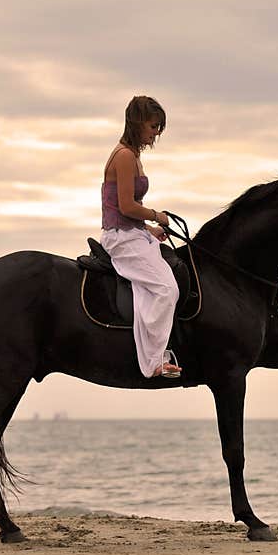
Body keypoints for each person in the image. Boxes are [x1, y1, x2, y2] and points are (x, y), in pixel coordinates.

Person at [100, 95, 182, 378]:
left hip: (132, 232)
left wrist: (150, 231)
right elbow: (126, 206)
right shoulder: (123, 156)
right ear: (137, 123)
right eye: (153, 126)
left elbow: (124, 211)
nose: (156, 133)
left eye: (159, 127)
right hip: (120, 238)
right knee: (167, 289)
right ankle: (154, 361)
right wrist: (155, 215)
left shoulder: (133, 156)